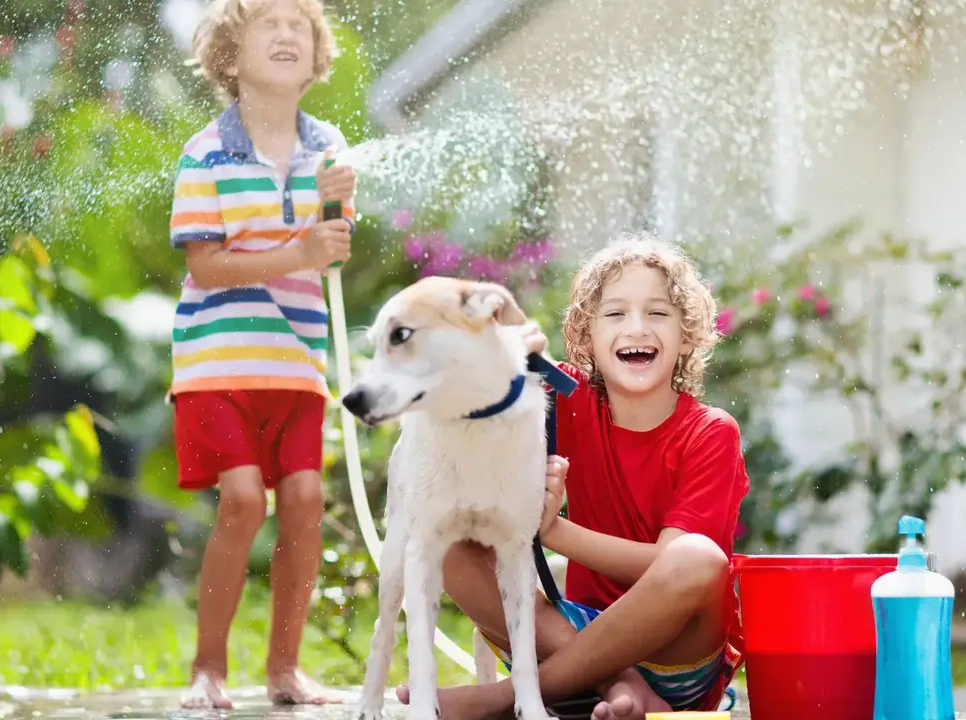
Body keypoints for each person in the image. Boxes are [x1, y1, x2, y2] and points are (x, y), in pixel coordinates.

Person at [400, 234, 750, 720]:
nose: (636, 327)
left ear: (687, 335)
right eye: (615, 314)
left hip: (677, 657)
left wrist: (555, 531)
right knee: (450, 539)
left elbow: (672, 568)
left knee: (698, 558)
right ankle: (615, 684)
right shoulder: (566, 401)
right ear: (586, 338)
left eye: (657, 313)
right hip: (570, 635)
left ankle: (506, 699)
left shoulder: (710, 432)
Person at [166, 0, 357, 708]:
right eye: (267, 23)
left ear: (315, 59)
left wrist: (335, 212)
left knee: (304, 500)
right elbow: (207, 266)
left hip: (296, 364)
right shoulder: (205, 151)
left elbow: (331, 257)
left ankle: (284, 670)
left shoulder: (328, 147)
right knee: (243, 500)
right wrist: (297, 248)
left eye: (299, 26)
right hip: (217, 362)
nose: (286, 33)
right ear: (228, 57)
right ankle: (207, 669)